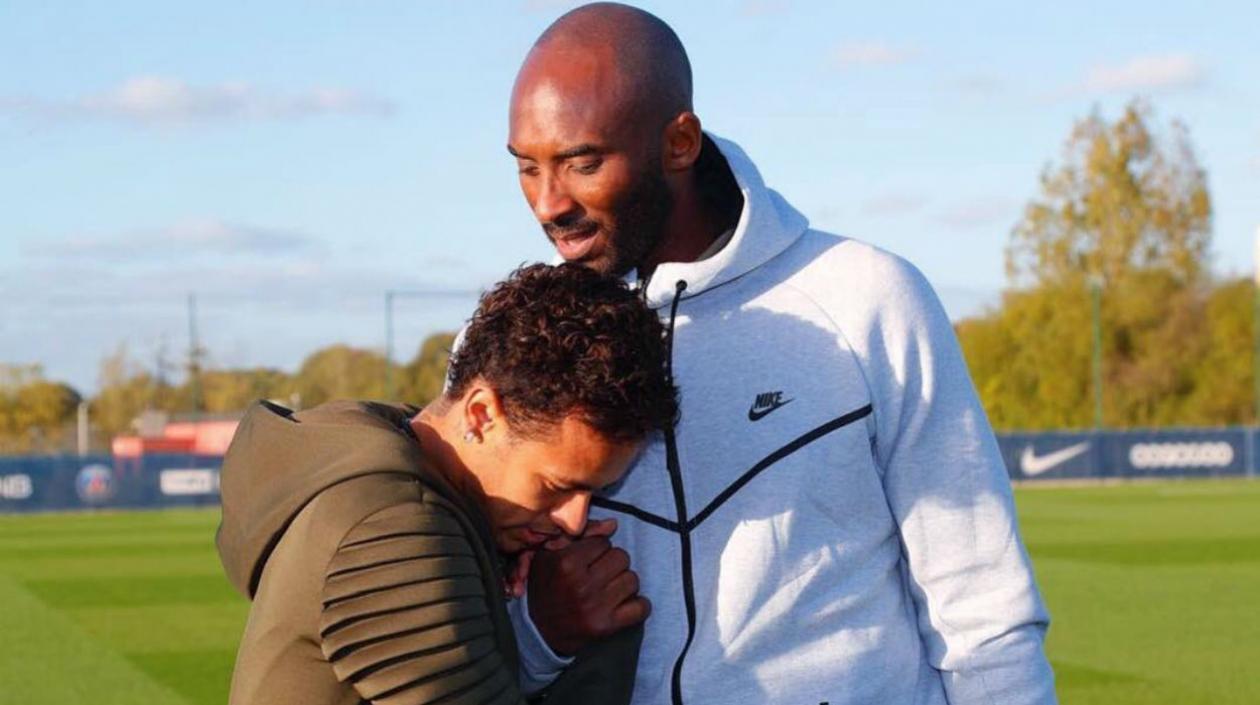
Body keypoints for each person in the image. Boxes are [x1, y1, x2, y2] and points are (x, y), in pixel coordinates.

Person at [504, 4, 1057, 704]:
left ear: (679, 142)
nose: (547, 202)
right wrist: (539, 630)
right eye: (527, 167)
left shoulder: (869, 298)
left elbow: (982, 605)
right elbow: (466, 639)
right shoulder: (513, 349)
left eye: (582, 162)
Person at [216, 263, 677, 705]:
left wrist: (512, 588)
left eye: (592, 494)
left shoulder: (382, 470)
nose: (575, 521)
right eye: (556, 486)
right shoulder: (395, 531)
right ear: (481, 415)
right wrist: (559, 635)